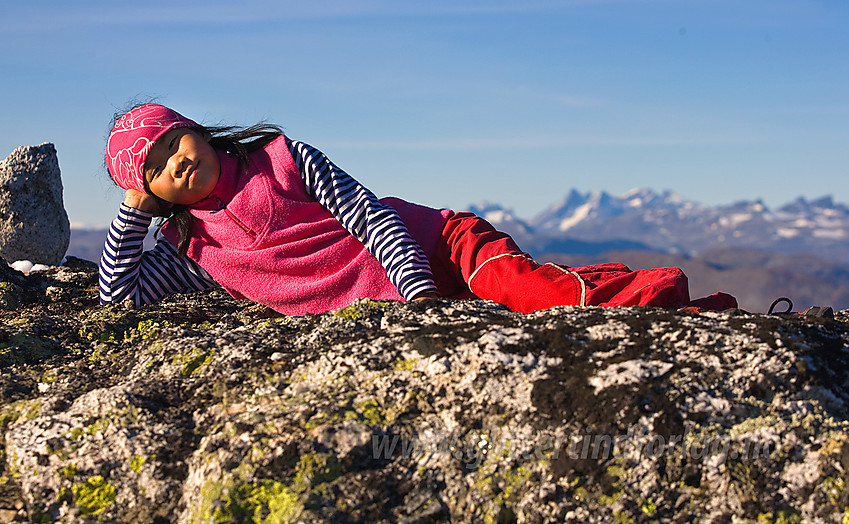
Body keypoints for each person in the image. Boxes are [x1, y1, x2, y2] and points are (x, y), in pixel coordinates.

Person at [100, 103, 737, 315]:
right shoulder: (196, 252)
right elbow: (118, 298)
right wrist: (132, 212)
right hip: (420, 301)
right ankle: (660, 302)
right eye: (153, 171)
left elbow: (368, 214)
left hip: (440, 249)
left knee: (536, 296)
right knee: (532, 305)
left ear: (196, 130)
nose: (174, 164)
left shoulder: (282, 158)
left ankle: (659, 290)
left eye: (170, 142)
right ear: (154, 195)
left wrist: (417, 295)